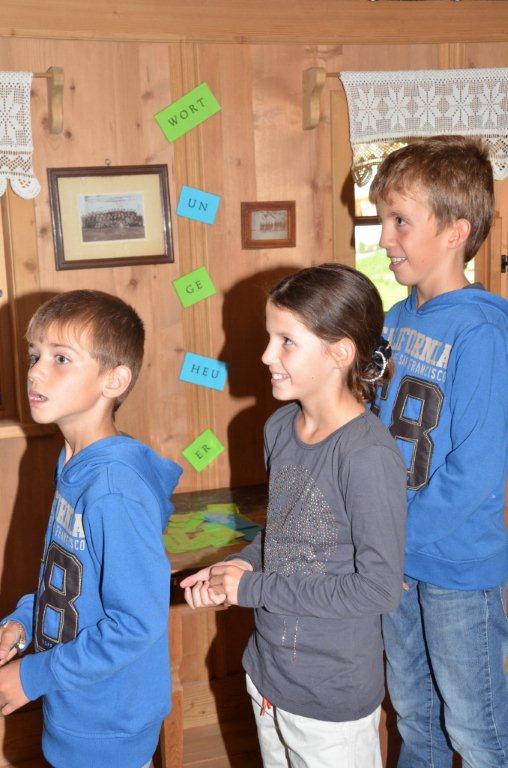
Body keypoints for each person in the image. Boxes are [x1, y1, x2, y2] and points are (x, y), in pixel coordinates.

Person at [181, 264, 407, 768]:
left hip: (331, 699)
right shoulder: (279, 427)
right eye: (270, 338)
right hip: (268, 673)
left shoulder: (367, 456)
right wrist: (239, 566)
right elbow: (286, 535)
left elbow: (378, 590)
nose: (266, 355)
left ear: (340, 353)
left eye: (286, 341)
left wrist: (252, 588)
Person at [370, 136, 508, 767]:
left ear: (456, 232)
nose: (384, 238)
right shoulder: (395, 321)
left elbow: (477, 468)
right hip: (397, 558)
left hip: (455, 566)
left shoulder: (482, 330)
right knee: (414, 713)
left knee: (477, 729)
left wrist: (397, 540)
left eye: (400, 221)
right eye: (382, 220)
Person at [0, 290, 182, 768]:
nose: (35, 371)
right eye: (35, 355)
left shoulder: (112, 490)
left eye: (60, 358)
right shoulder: (72, 463)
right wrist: (22, 624)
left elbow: (137, 623)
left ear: (114, 380)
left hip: (110, 718)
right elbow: (69, 582)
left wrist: (32, 677)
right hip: (74, 700)